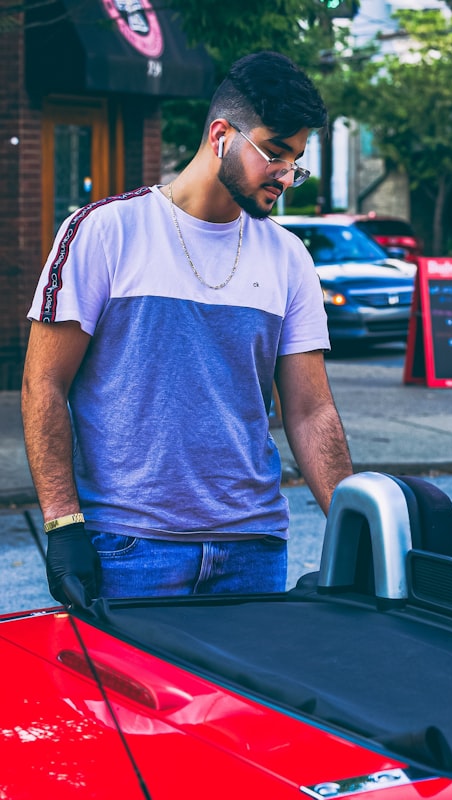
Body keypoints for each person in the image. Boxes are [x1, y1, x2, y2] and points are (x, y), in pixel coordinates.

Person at [21, 51, 354, 606]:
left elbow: (310, 409)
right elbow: (42, 384)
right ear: (222, 134)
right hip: (130, 546)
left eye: (295, 160)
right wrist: (63, 524)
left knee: (247, 699)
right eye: (274, 153)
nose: (286, 176)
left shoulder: (289, 257)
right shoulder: (105, 232)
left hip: (255, 545)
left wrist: (355, 521)